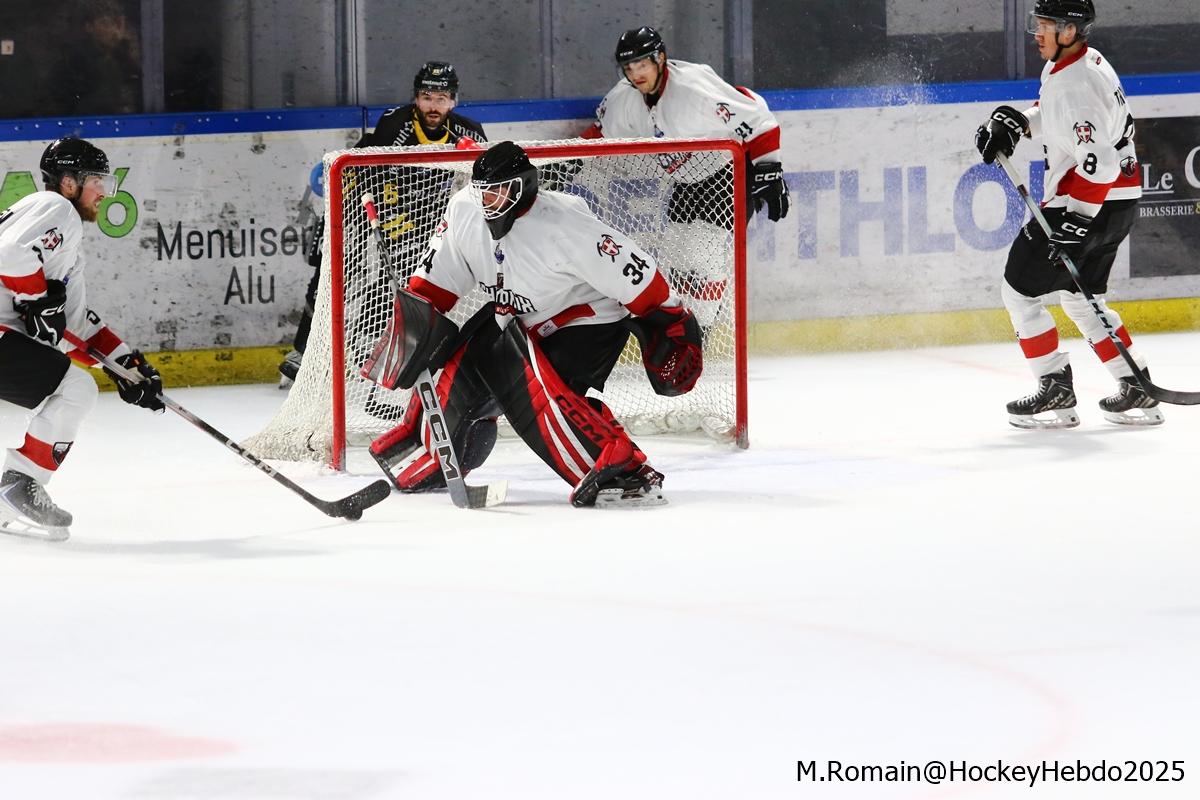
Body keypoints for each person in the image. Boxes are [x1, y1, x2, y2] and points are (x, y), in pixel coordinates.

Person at [366, 142, 704, 508]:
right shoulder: (465, 210)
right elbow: (436, 283)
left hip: (585, 320)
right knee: (464, 370)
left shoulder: (565, 225)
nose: (487, 202)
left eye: (498, 191)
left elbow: (638, 275)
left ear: (524, 186)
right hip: (520, 317)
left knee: (528, 387)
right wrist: (416, 323)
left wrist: (673, 324)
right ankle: (432, 451)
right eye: (483, 192)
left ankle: (621, 468)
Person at [975, 0, 1158, 429]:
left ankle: (1054, 386)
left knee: (1019, 292)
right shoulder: (1082, 64)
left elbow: (1100, 162)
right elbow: (1062, 118)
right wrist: (1020, 123)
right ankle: (1136, 384)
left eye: (1045, 26)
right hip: (1119, 201)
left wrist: (1077, 219)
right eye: (1037, 24)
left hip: (1087, 200)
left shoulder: (1076, 84)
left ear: (1069, 30)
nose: (1036, 34)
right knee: (1081, 298)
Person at [280, 61, 488, 386]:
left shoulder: (469, 132)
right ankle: (303, 352)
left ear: (453, 101)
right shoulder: (396, 125)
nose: (433, 106)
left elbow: (483, 180)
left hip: (421, 221)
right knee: (333, 275)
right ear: (416, 98)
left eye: (441, 98)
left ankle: (365, 348)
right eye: (427, 97)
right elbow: (364, 173)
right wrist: (376, 217)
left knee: (401, 283)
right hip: (365, 206)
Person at [0, 137, 164, 538]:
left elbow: (73, 325)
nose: (104, 192)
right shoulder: (56, 208)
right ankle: (18, 482)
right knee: (76, 389)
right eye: (96, 181)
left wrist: (127, 367)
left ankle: (9, 496)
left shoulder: (65, 244)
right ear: (69, 182)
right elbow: (7, 254)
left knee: (70, 388)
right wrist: (37, 298)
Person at [582, 26, 789, 226]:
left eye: (641, 65)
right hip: (686, 182)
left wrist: (770, 172)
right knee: (676, 250)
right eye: (628, 68)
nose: (635, 75)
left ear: (660, 58)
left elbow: (757, 119)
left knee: (710, 248)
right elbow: (600, 134)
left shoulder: (693, 89)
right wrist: (570, 161)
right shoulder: (625, 97)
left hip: (729, 172)